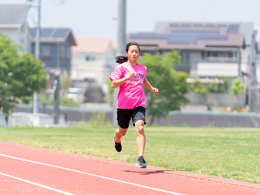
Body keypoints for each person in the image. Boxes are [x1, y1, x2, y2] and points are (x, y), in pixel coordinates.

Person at [110, 42, 159, 168]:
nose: (134, 54)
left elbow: (142, 79)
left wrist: (152, 88)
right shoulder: (121, 68)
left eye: (136, 52)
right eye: (132, 51)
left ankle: (140, 158)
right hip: (124, 105)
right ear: (127, 53)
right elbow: (114, 84)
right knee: (122, 131)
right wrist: (126, 77)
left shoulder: (143, 69)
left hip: (138, 103)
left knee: (140, 128)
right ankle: (117, 138)